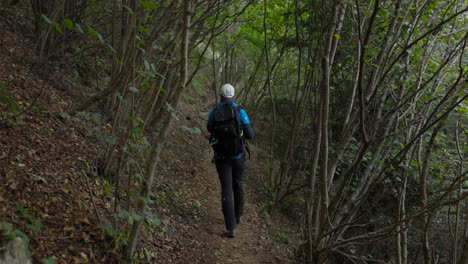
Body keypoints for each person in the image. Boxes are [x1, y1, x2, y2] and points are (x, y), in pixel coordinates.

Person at [207, 83, 254, 238]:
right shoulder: (240, 111)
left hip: (221, 158)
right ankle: (238, 215)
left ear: (221, 96)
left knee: (226, 189)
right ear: (233, 96)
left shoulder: (215, 112)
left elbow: (209, 128)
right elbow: (250, 134)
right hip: (238, 156)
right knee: (238, 183)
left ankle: (230, 228)